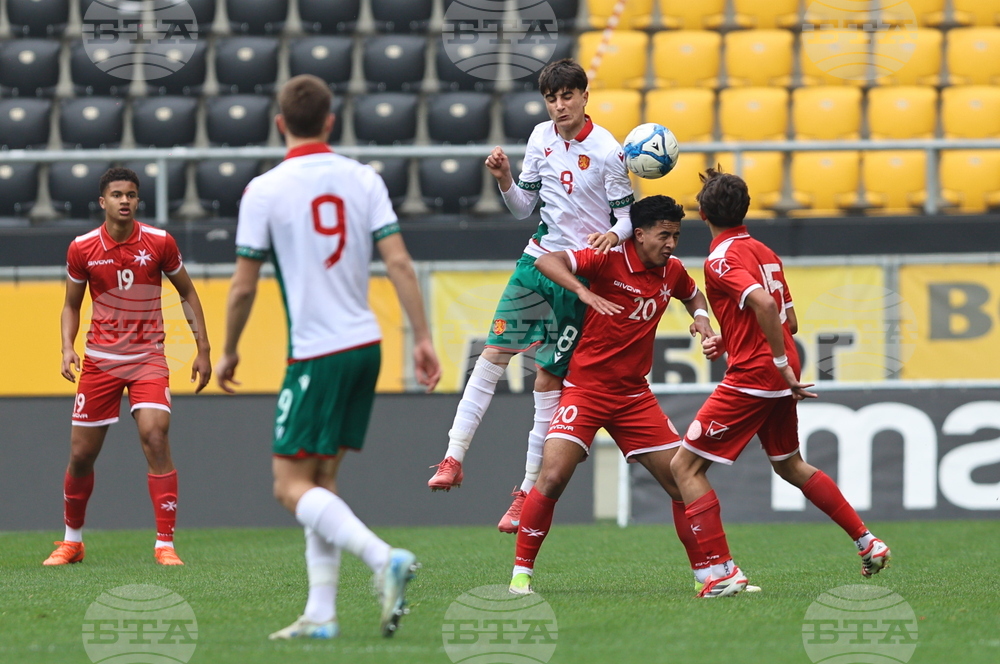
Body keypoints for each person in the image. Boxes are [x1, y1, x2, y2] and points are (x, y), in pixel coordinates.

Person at [216, 75, 441, 640]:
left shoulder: (265, 189)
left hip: (316, 352)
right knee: (320, 483)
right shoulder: (362, 177)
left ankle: (383, 556)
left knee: (288, 486)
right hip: (366, 344)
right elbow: (400, 263)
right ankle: (321, 612)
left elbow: (242, 287)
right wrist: (422, 336)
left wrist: (228, 350)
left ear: (279, 124)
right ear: (331, 122)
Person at [428, 59, 636, 535]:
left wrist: (613, 236)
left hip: (578, 273)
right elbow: (523, 208)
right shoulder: (540, 138)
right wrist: (503, 178)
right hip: (536, 262)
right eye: (551, 98)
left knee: (546, 380)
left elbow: (626, 218)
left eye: (567, 96)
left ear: (585, 96)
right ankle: (452, 457)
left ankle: (524, 493)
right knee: (493, 353)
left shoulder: (609, 151)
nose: (559, 105)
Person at [670, 168, 891, 598]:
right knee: (790, 464)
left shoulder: (719, 259)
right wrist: (732, 341)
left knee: (684, 467)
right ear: (746, 208)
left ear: (701, 214)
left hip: (757, 374)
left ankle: (721, 574)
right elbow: (789, 319)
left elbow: (765, 305)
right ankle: (867, 541)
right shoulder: (765, 252)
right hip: (776, 370)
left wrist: (765, 357)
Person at [508, 195, 725, 595]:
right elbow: (546, 261)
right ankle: (521, 573)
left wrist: (701, 321)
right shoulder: (606, 257)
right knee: (552, 477)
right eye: (664, 235)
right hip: (586, 391)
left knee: (681, 481)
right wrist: (584, 292)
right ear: (638, 234)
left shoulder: (671, 270)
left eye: (676, 235)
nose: (672, 244)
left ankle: (709, 574)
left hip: (633, 397)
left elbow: (694, 294)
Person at [45, 167, 212, 567]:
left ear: (138, 201)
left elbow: (187, 291)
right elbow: (72, 304)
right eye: (117, 194)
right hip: (100, 362)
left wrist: (202, 347)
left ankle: (164, 544)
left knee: (156, 436)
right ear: (103, 202)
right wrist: (67, 347)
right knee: (81, 455)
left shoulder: (159, 242)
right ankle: (72, 542)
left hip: (147, 359)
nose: (125, 201)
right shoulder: (82, 247)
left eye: (132, 195)